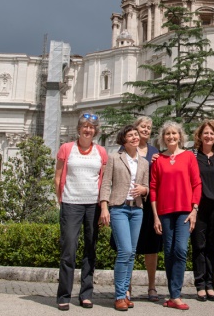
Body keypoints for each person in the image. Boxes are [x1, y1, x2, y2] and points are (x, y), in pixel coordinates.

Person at [55, 113, 108, 311]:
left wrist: (103, 206)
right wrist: (60, 199)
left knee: (90, 249)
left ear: (95, 131)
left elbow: (103, 181)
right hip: (71, 203)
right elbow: (58, 175)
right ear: (79, 129)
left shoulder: (101, 152)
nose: (88, 130)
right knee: (68, 249)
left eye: (92, 127)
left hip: (92, 206)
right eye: (85, 126)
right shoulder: (67, 148)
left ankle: (86, 294)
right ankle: (64, 295)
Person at [150, 121, 202, 310]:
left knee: (180, 249)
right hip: (164, 212)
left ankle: (176, 294)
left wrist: (194, 209)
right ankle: (173, 295)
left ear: (180, 136)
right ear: (163, 138)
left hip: (184, 212)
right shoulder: (158, 160)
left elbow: (197, 184)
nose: (171, 137)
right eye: (167, 134)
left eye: (174, 133)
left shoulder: (188, 156)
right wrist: (155, 216)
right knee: (169, 251)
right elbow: (153, 188)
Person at [99, 125, 149, 311]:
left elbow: (147, 187)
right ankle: (120, 295)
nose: (135, 137)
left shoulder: (144, 162)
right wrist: (104, 207)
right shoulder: (114, 158)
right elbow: (106, 184)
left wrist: (144, 190)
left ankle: (126, 294)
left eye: (136, 135)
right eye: (131, 135)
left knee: (131, 253)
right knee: (125, 251)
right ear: (124, 140)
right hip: (119, 208)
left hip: (136, 209)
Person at [190, 120, 214, 302]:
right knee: (198, 245)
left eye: (211, 133)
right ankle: (200, 285)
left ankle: (210, 284)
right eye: (205, 133)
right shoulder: (192, 155)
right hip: (198, 207)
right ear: (200, 135)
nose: (208, 136)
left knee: (212, 246)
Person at [132, 116, 162, 302]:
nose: (145, 130)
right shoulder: (126, 148)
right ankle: (125, 287)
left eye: (149, 127)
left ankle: (152, 286)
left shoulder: (154, 152)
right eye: (142, 126)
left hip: (150, 205)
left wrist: (146, 190)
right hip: (129, 204)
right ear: (135, 128)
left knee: (151, 247)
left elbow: (158, 179)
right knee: (128, 247)